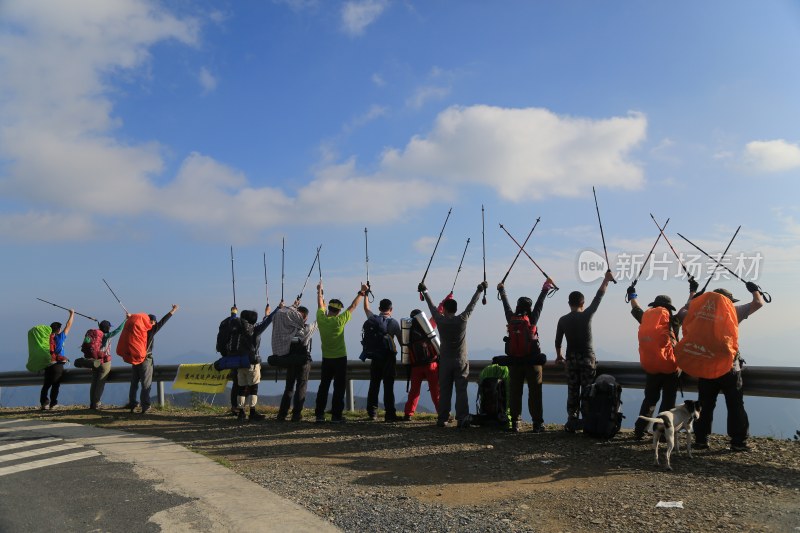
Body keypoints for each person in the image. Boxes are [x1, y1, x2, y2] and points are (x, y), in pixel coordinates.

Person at [692, 283, 764, 452]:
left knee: (705, 404)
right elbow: (759, 303)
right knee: (735, 404)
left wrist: (695, 297)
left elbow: (682, 312)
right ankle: (738, 442)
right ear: (728, 301)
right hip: (729, 367)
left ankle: (701, 440)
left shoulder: (698, 314)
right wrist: (755, 290)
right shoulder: (733, 312)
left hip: (706, 366)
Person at [419, 279, 487, 428]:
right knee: (461, 390)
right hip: (461, 361)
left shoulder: (441, 321)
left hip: (445, 362)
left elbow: (432, 308)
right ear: (456, 309)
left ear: (444, 310)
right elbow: (471, 306)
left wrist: (425, 291)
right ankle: (462, 418)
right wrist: (479, 289)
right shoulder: (462, 320)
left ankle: (442, 418)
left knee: (444, 391)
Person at [555, 270, 614, 432]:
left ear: (569, 303)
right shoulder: (586, 315)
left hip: (571, 360)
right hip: (587, 360)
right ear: (583, 303)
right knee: (588, 391)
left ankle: (571, 421)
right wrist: (606, 280)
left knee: (572, 391)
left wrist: (559, 355)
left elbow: (558, 340)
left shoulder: (563, 320)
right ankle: (587, 421)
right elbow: (598, 297)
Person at [498, 278, 554, 433]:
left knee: (515, 392)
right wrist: (546, 287)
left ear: (517, 306)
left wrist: (502, 290)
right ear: (529, 308)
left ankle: (515, 422)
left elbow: (505, 306)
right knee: (535, 392)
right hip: (532, 362)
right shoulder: (532, 319)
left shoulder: (511, 318)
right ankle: (537, 424)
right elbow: (540, 304)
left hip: (514, 362)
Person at [627, 285, 683, 439]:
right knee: (668, 403)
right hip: (670, 368)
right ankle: (663, 433)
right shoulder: (673, 321)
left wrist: (632, 294)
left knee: (650, 399)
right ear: (668, 308)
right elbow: (688, 308)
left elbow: (635, 307)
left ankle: (640, 430)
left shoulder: (645, 317)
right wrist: (693, 292)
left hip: (651, 366)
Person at [314, 281, 367, 423]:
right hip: (340, 358)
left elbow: (320, 305)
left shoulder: (321, 319)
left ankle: (319, 415)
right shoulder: (340, 321)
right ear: (338, 311)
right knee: (338, 388)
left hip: (326, 358)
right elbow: (353, 306)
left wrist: (319, 290)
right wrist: (362, 292)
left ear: (328, 308)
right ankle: (336, 416)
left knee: (323, 386)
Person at [125, 304, 178, 414]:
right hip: (145, 359)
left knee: (134, 382)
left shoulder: (137, 330)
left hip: (135, 358)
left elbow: (131, 326)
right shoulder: (150, 331)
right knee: (146, 384)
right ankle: (145, 406)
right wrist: (173, 310)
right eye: (154, 322)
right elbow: (163, 322)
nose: (154, 323)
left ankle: (133, 404)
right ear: (152, 322)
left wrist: (130, 318)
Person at [272, 302, 318, 422]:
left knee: (289, 387)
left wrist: (293, 305)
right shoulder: (306, 329)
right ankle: (296, 414)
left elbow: (284, 313)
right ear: (305, 317)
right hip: (303, 361)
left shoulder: (289, 330)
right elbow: (318, 322)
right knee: (301, 386)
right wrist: (321, 300)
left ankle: (282, 414)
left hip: (291, 360)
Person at [363, 297, 402, 422]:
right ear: (391, 309)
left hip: (375, 357)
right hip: (389, 358)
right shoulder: (394, 323)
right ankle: (390, 414)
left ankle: (372, 412)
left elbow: (366, 308)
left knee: (374, 384)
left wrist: (366, 295)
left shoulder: (372, 319)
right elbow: (402, 342)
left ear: (379, 309)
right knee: (388, 386)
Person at [235, 305, 276, 421]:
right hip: (252, 363)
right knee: (253, 388)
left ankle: (241, 412)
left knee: (241, 388)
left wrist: (266, 314)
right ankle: (252, 412)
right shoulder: (255, 330)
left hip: (239, 362)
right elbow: (266, 322)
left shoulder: (237, 329)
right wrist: (276, 309)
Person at [403, 307, 442, 421]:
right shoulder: (428, 327)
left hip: (416, 367)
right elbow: (436, 314)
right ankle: (442, 414)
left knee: (414, 391)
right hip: (431, 365)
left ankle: (408, 414)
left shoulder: (408, 332)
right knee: (436, 391)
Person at [40, 309, 74, 410]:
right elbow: (69, 325)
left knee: (46, 384)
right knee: (55, 385)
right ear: (59, 329)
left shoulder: (46, 339)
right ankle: (53, 404)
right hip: (58, 364)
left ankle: (44, 403)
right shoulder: (61, 337)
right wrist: (72, 313)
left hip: (47, 362)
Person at [89, 318, 126, 410]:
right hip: (104, 361)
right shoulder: (107, 335)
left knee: (94, 382)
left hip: (95, 360)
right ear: (107, 328)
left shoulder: (96, 336)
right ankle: (96, 403)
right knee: (100, 383)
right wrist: (125, 320)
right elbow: (118, 330)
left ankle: (92, 403)